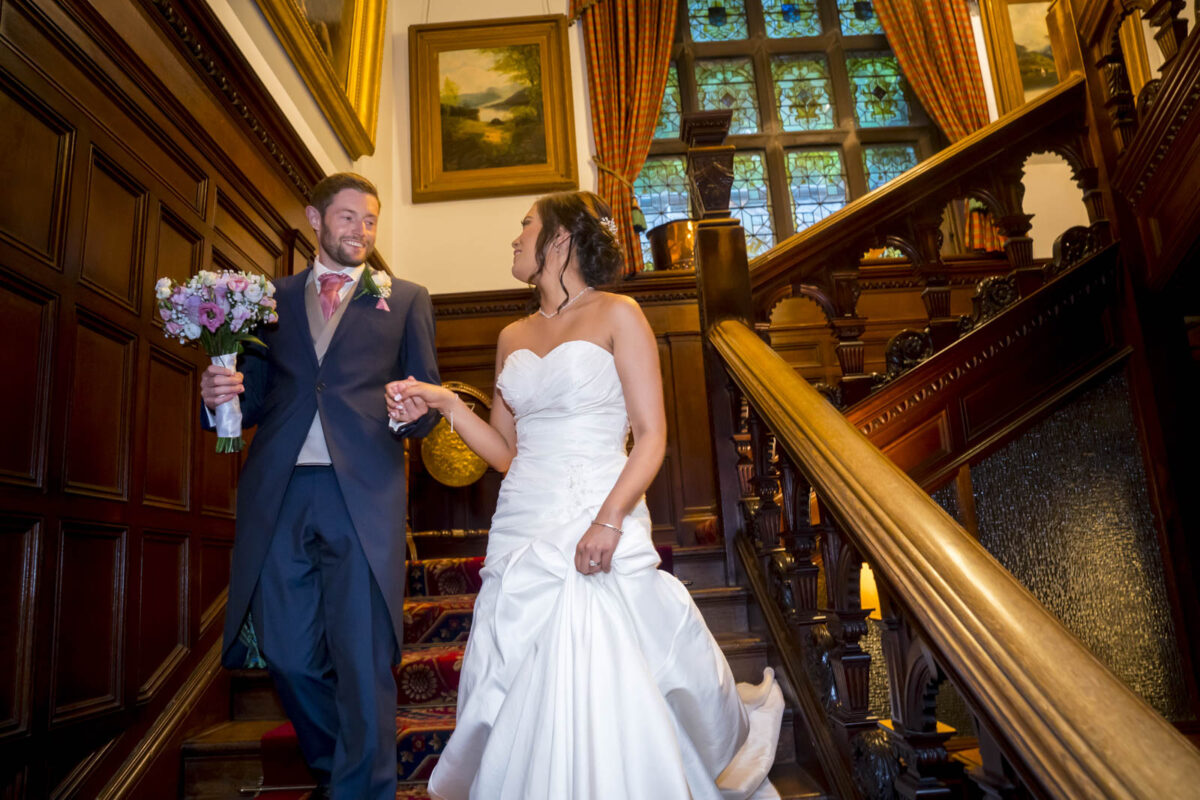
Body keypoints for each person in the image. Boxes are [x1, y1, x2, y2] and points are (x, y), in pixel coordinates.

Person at [389, 191, 782, 799]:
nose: (515, 239)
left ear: (561, 239)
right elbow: (503, 450)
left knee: (605, 663)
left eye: (525, 226)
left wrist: (607, 520)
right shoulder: (510, 334)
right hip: (524, 517)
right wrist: (444, 402)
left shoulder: (619, 313)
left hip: (597, 505)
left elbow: (652, 436)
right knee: (521, 672)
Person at [200, 173, 440, 799]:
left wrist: (418, 411)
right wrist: (216, 398)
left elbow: (429, 402)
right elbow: (245, 404)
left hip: (363, 496)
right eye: (348, 217)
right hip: (279, 495)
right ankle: (343, 774)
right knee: (288, 656)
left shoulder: (407, 299)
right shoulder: (265, 299)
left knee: (362, 661)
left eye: (371, 221)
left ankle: (365, 790)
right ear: (314, 217)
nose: (361, 230)